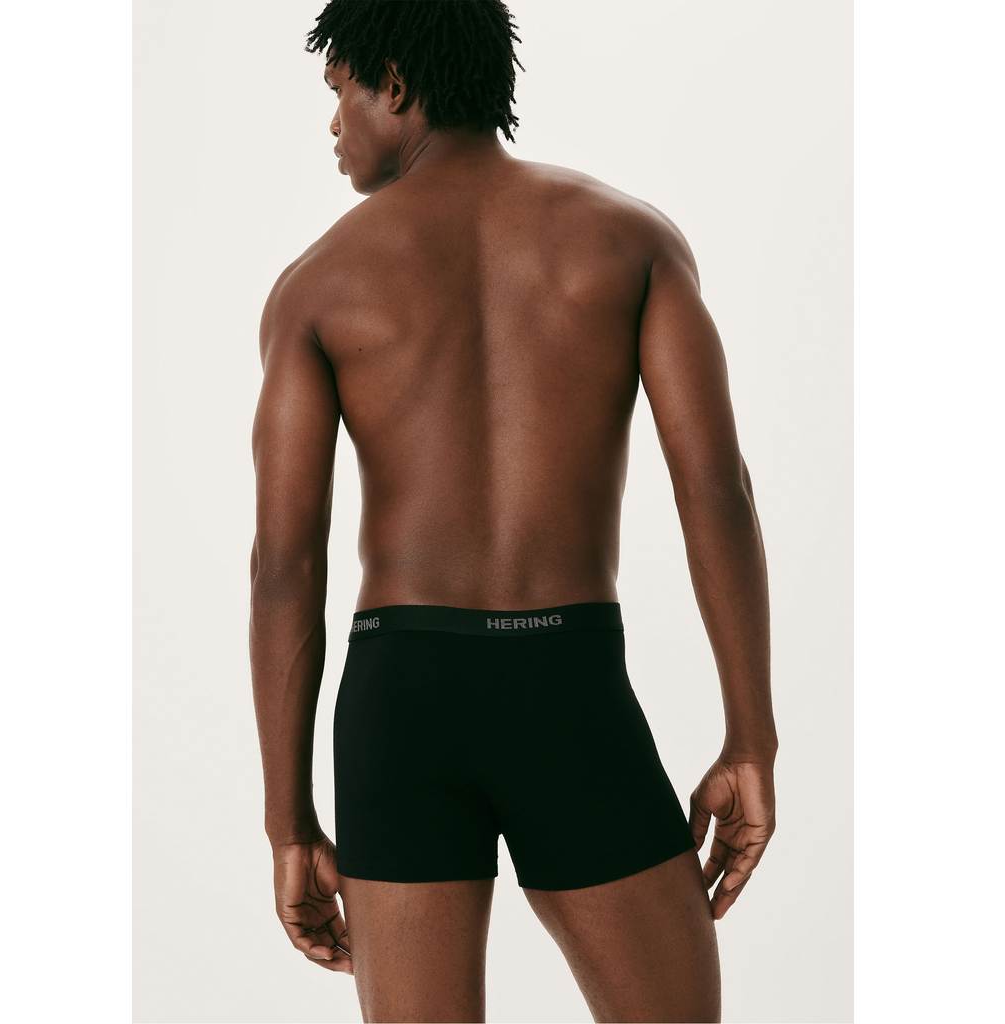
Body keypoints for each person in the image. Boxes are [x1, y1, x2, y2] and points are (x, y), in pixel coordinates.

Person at [249, 2, 777, 1020]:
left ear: (393, 83)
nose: (334, 124)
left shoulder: (318, 285)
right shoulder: (628, 241)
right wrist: (751, 738)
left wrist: (289, 824)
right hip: (567, 684)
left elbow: (284, 566)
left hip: (401, 701)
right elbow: (715, 488)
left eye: (340, 93)